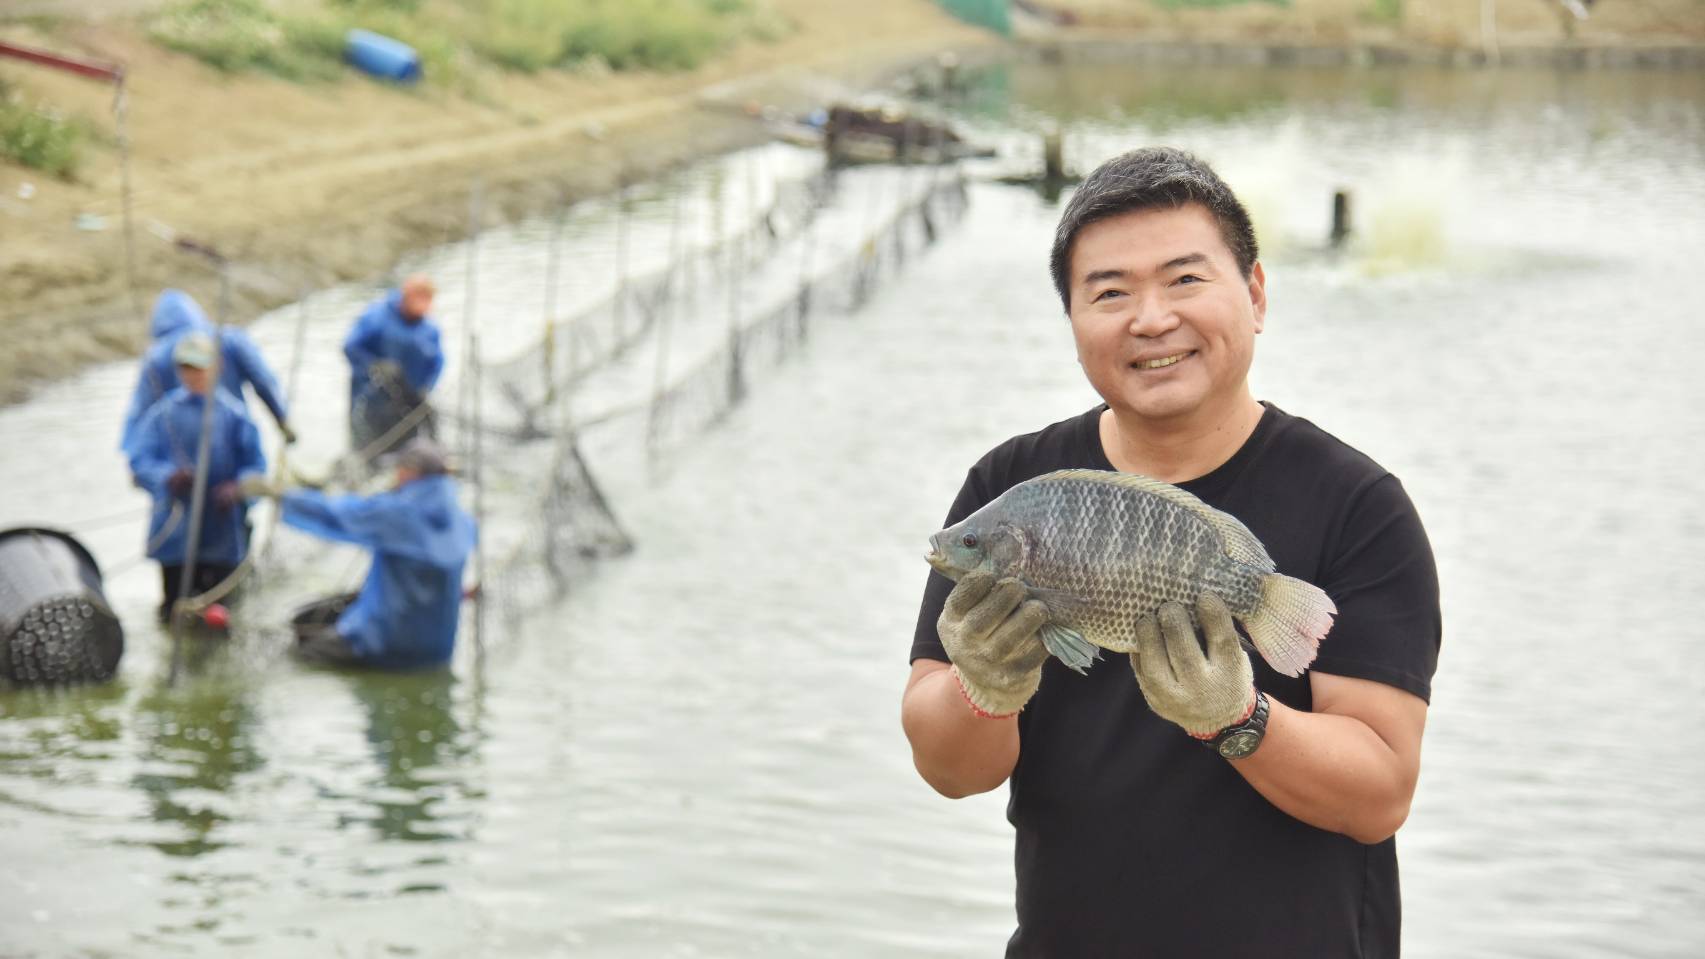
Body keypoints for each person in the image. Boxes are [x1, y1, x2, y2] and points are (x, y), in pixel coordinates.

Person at [901, 147, 1441, 956]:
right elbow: (949, 768)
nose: (1150, 318)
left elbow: (1378, 795)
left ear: (1254, 295)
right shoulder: (1011, 483)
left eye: (1185, 280)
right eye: (1109, 292)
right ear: (1073, 321)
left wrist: (1236, 717)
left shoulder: (1357, 504)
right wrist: (984, 687)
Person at [248, 438, 475, 670]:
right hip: (437, 652)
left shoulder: (397, 514)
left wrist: (281, 495)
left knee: (300, 656)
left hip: (385, 644)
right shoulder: (463, 522)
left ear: (412, 472)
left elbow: (337, 513)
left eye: (400, 469)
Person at [127, 332, 268, 623]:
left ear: (216, 367)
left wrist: (238, 488)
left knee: (220, 612)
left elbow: (256, 465)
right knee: (174, 609)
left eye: (200, 367)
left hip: (222, 528)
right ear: (179, 370)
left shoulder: (235, 416)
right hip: (176, 526)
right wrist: (168, 477)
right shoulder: (161, 415)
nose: (194, 375)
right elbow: (141, 461)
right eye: (187, 367)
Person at [120, 288, 294, 458]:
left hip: (184, 457)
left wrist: (134, 456)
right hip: (235, 443)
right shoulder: (230, 339)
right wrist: (282, 419)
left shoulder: (154, 359)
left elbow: (139, 412)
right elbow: (264, 381)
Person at [344, 274, 444, 452]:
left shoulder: (429, 329)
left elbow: (437, 362)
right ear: (407, 296)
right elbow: (351, 347)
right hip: (372, 398)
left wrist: (427, 386)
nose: (424, 307)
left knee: (411, 439)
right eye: (419, 299)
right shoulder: (376, 317)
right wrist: (373, 365)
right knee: (371, 445)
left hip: (410, 400)